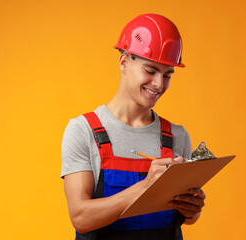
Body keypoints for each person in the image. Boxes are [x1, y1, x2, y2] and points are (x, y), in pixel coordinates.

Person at [61, 13, 206, 240]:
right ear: (124, 62)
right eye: (150, 71)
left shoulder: (178, 136)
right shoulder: (83, 130)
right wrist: (145, 187)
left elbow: (186, 219)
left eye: (167, 75)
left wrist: (192, 208)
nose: (159, 84)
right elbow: (81, 218)